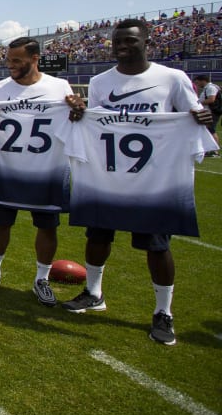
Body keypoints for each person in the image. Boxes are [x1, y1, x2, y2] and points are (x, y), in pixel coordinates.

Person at [63, 18, 214, 346]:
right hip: (109, 176)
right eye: (118, 40)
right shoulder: (101, 81)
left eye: (130, 40)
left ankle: (163, 311)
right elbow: (98, 122)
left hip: (153, 179)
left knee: (157, 246)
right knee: (98, 235)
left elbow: (194, 114)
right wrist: (80, 112)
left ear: (147, 42)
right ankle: (93, 292)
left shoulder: (172, 78)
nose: (122, 46)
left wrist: (204, 116)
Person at [0, 37, 77, 307]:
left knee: (47, 226)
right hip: (7, 167)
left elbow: (73, 120)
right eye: (9, 60)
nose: (11, 65)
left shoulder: (58, 87)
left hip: (47, 168)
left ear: (35, 59)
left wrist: (77, 111)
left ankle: (41, 279)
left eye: (17, 61)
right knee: (1, 223)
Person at [192, 74, 219, 156]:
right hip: (208, 111)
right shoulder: (207, 88)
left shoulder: (211, 88)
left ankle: (214, 151)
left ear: (203, 80)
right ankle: (209, 149)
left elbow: (211, 99)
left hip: (212, 112)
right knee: (208, 130)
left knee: (211, 130)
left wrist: (198, 103)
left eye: (197, 82)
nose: (197, 85)